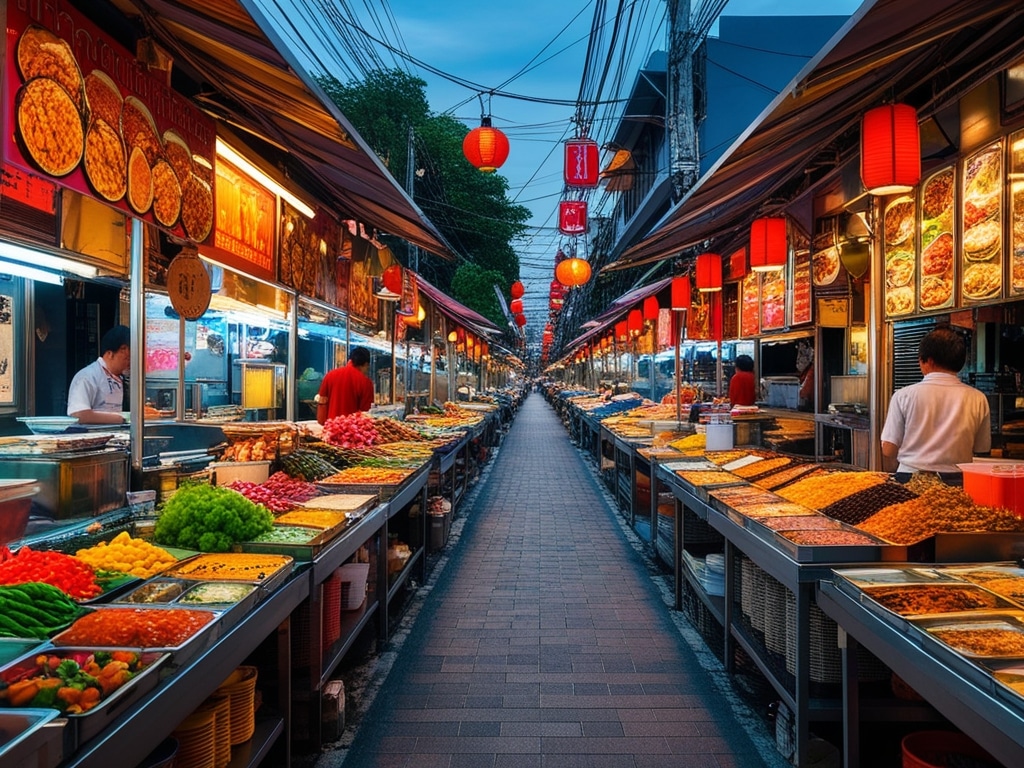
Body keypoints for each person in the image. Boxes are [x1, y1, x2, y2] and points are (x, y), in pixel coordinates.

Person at [881, 327, 990, 485]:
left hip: (911, 479)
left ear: (928, 360)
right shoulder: (978, 398)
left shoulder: (904, 395)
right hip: (957, 482)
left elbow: (888, 450)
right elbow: (981, 448)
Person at [67, 324, 130, 424]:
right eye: (126, 359)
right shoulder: (88, 376)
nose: (129, 363)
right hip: (91, 436)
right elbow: (79, 415)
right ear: (110, 354)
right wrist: (121, 419)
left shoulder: (122, 379)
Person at [316, 346, 374, 423]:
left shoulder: (330, 375)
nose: (366, 371)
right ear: (365, 364)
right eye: (367, 368)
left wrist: (324, 425)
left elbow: (322, 405)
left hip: (330, 429)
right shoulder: (365, 382)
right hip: (353, 432)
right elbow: (365, 413)